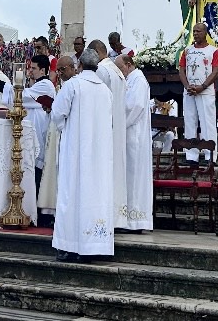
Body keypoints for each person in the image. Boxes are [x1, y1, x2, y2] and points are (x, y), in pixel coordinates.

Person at [51, 49, 115, 262]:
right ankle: (96, 246)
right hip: (99, 154)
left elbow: (57, 113)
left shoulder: (73, 85)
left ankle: (69, 246)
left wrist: (66, 128)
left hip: (76, 151)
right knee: (96, 194)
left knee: (71, 193)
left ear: (79, 65)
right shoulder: (105, 91)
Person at [91, 39, 129, 229]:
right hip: (118, 128)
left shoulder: (102, 70)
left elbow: (97, 101)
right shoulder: (116, 71)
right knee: (116, 172)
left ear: (96, 52)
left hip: (105, 129)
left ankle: (103, 216)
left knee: (104, 172)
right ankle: (116, 217)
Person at [117, 54, 154, 233]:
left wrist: (117, 122)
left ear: (128, 64)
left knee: (134, 178)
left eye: (120, 68)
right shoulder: (129, 79)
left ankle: (135, 221)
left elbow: (134, 106)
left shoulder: (138, 80)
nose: (119, 72)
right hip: (128, 135)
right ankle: (127, 219)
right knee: (128, 177)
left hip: (134, 136)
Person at [37, 54, 75, 223]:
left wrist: (54, 111)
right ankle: (50, 209)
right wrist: (50, 109)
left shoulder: (74, 85)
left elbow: (64, 113)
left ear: (73, 68)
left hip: (63, 132)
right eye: (58, 70)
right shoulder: (63, 86)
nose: (59, 73)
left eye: (62, 69)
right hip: (55, 131)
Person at [180, 21, 218, 162]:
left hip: (205, 91)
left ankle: (210, 155)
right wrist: (187, 86)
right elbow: (182, 70)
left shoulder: (213, 51)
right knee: (189, 121)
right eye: (194, 31)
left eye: (198, 31)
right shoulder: (187, 50)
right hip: (190, 91)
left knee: (207, 123)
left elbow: (216, 71)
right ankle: (191, 155)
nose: (195, 34)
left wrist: (202, 86)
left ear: (205, 33)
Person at [23, 55, 56, 195]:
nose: (30, 71)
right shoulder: (38, 84)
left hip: (39, 128)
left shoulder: (45, 85)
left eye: (34, 68)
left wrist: (1, 85)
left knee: (36, 170)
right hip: (34, 127)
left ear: (43, 70)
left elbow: (25, 96)